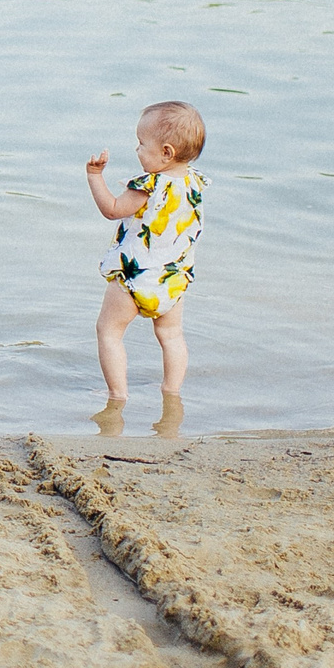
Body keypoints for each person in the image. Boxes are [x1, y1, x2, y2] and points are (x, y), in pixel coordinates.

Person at [85, 101, 208, 429]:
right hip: (173, 279)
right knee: (171, 335)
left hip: (134, 276)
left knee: (109, 331)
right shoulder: (194, 183)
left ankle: (117, 397)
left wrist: (94, 176)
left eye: (141, 143)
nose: (137, 149)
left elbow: (112, 209)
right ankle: (172, 392)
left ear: (166, 152)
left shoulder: (148, 185)